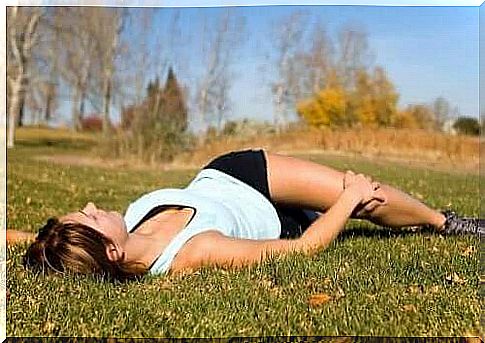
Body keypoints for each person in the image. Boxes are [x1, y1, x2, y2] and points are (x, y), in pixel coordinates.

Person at [17, 149, 482, 281]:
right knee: (366, 197)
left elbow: (41, 242)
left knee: (362, 191)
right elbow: (301, 250)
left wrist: (15, 238)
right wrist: (348, 198)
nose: (96, 207)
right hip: (278, 219)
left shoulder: (87, 245)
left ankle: (442, 220)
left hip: (234, 172)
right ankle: (446, 223)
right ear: (113, 250)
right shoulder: (192, 253)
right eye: (91, 216)